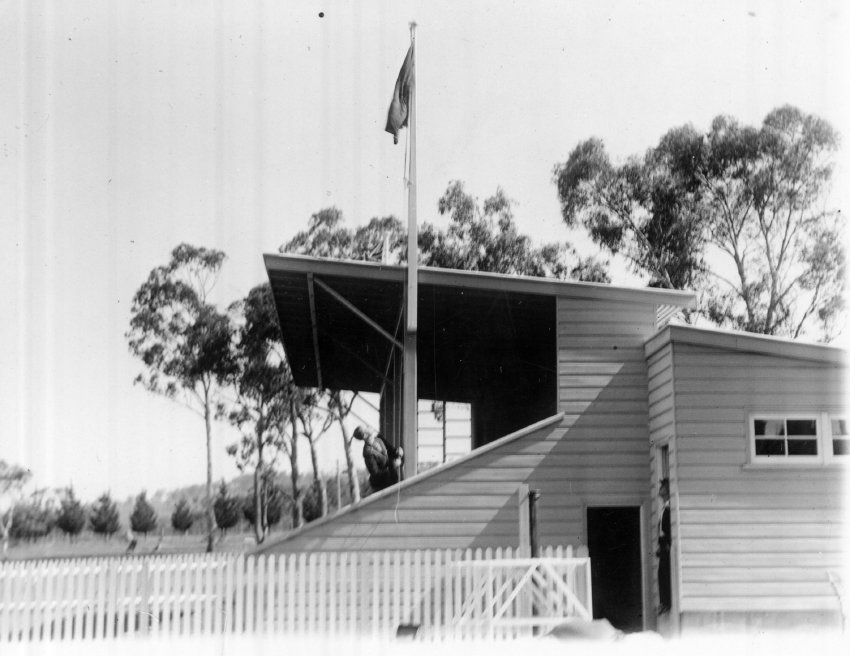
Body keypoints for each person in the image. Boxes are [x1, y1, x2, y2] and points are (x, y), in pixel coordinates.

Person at [353, 425, 404, 492]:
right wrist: (394, 465)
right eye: (366, 428)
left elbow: (392, 451)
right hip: (382, 485)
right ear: (365, 435)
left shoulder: (379, 439)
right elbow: (376, 474)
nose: (369, 427)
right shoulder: (367, 453)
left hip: (393, 480)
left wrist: (398, 452)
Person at [656, 478, 672, 613]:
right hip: (662, 543)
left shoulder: (669, 507)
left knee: (665, 572)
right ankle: (663, 601)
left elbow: (668, 527)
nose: (660, 490)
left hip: (666, 542)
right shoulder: (664, 507)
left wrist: (667, 543)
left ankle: (666, 602)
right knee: (661, 572)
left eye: (662, 487)